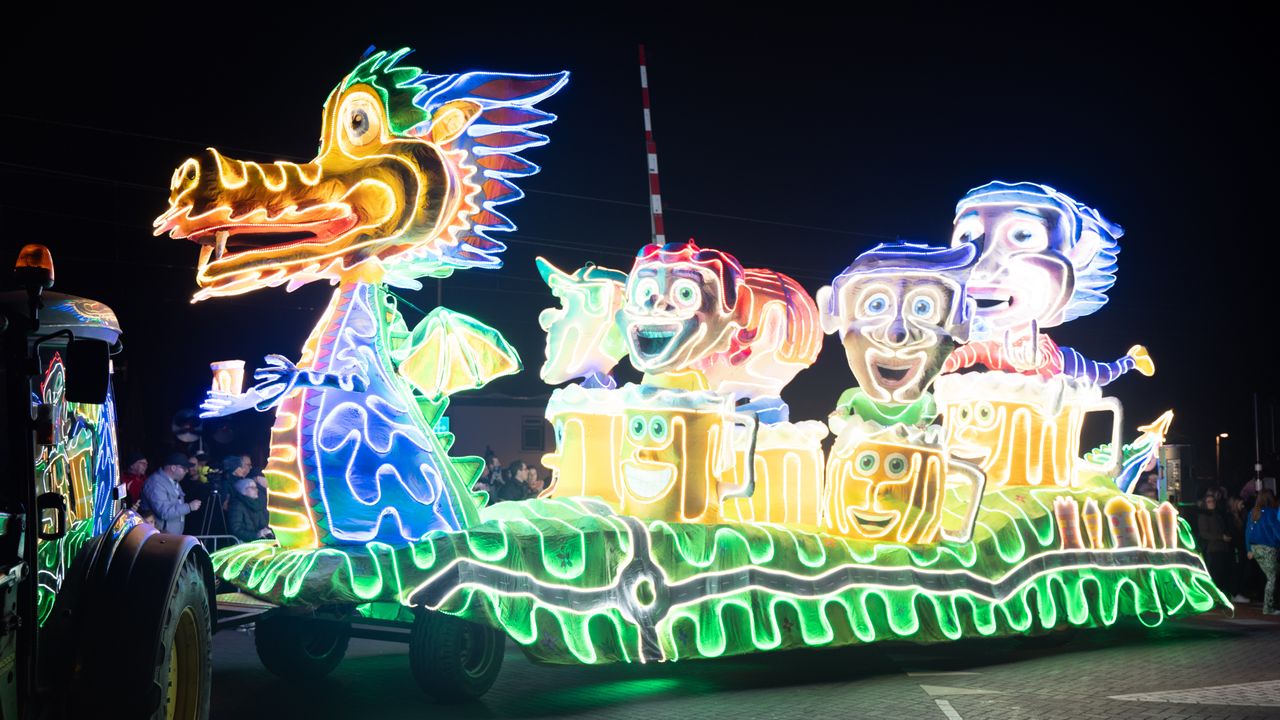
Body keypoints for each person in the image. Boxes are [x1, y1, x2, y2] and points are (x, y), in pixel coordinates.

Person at [141, 453, 201, 534]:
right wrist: (189, 507)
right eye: (184, 468)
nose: (187, 471)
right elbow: (164, 512)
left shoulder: (174, 482)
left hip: (170, 536)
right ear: (173, 468)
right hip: (160, 538)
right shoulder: (155, 483)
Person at [1246, 489, 1280, 615]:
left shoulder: (1253, 512)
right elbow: (1276, 529)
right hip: (1268, 547)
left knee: (1271, 574)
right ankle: (1268, 607)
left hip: (1255, 548)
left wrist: (1249, 549)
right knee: (1272, 577)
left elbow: (1248, 532)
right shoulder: (1271, 512)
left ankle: (1269, 603)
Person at [1198, 494, 1233, 592]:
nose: (1212, 503)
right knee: (1215, 572)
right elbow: (1204, 533)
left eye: (1213, 501)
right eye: (1209, 501)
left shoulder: (1218, 514)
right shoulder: (1204, 516)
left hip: (1222, 547)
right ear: (1205, 503)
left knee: (1223, 572)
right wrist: (1220, 537)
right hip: (1213, 548)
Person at [228, 477, 272, 543]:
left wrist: (266, 531)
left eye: (256, 487)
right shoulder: (237, 505)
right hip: (243, 543)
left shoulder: (258, 504)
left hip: (260, 541)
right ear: (243, 491)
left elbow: (263, 523)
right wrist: (256, 535)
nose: (256, 490)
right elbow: (236, 529)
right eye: (252, 487)